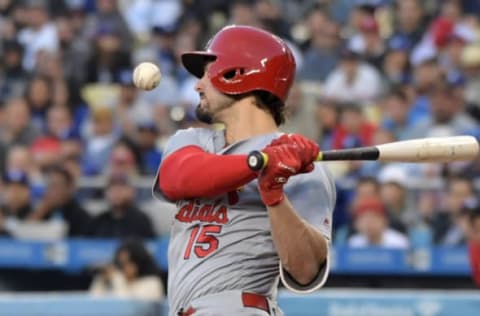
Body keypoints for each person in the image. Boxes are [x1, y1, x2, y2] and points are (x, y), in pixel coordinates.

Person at [154, 25, 335, 316]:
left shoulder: (299, 166)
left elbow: (305, 271)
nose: (198, 85)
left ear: (235, 74)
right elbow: (179, 179)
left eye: (206, 73)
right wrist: (260, 162)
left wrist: (274, 194)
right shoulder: (192, 141)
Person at [89, 238, 165, 301]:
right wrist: (101, 280)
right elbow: (93, 304)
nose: (123, 267)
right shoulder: (116, 281)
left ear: (139, 262)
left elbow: (124, 307)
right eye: (120, 263)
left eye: (128, 262)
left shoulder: (152, 283)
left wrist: (116, 278)